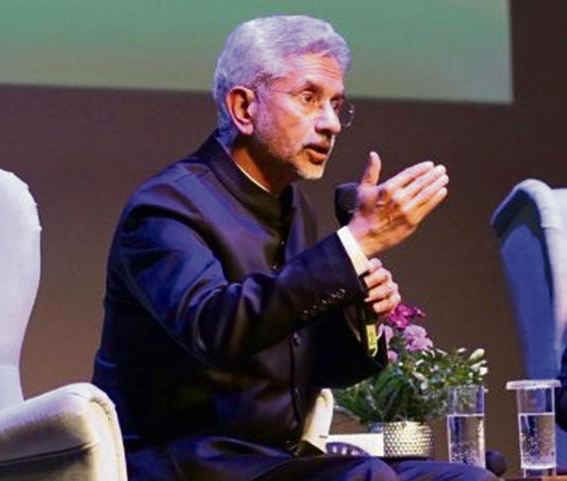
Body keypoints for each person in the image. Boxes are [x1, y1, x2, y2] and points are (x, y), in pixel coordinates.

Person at [92, 15, 494, 481]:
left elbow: (312, 368)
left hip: (273, 460)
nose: (331, 124)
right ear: (244, 108)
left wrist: (361, 312)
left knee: (468, 478)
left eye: (336, 104)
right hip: (185, 461)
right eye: (309, 98)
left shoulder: (295, 207)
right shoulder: (166, 208)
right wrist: (355, 242)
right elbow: (215, 330)